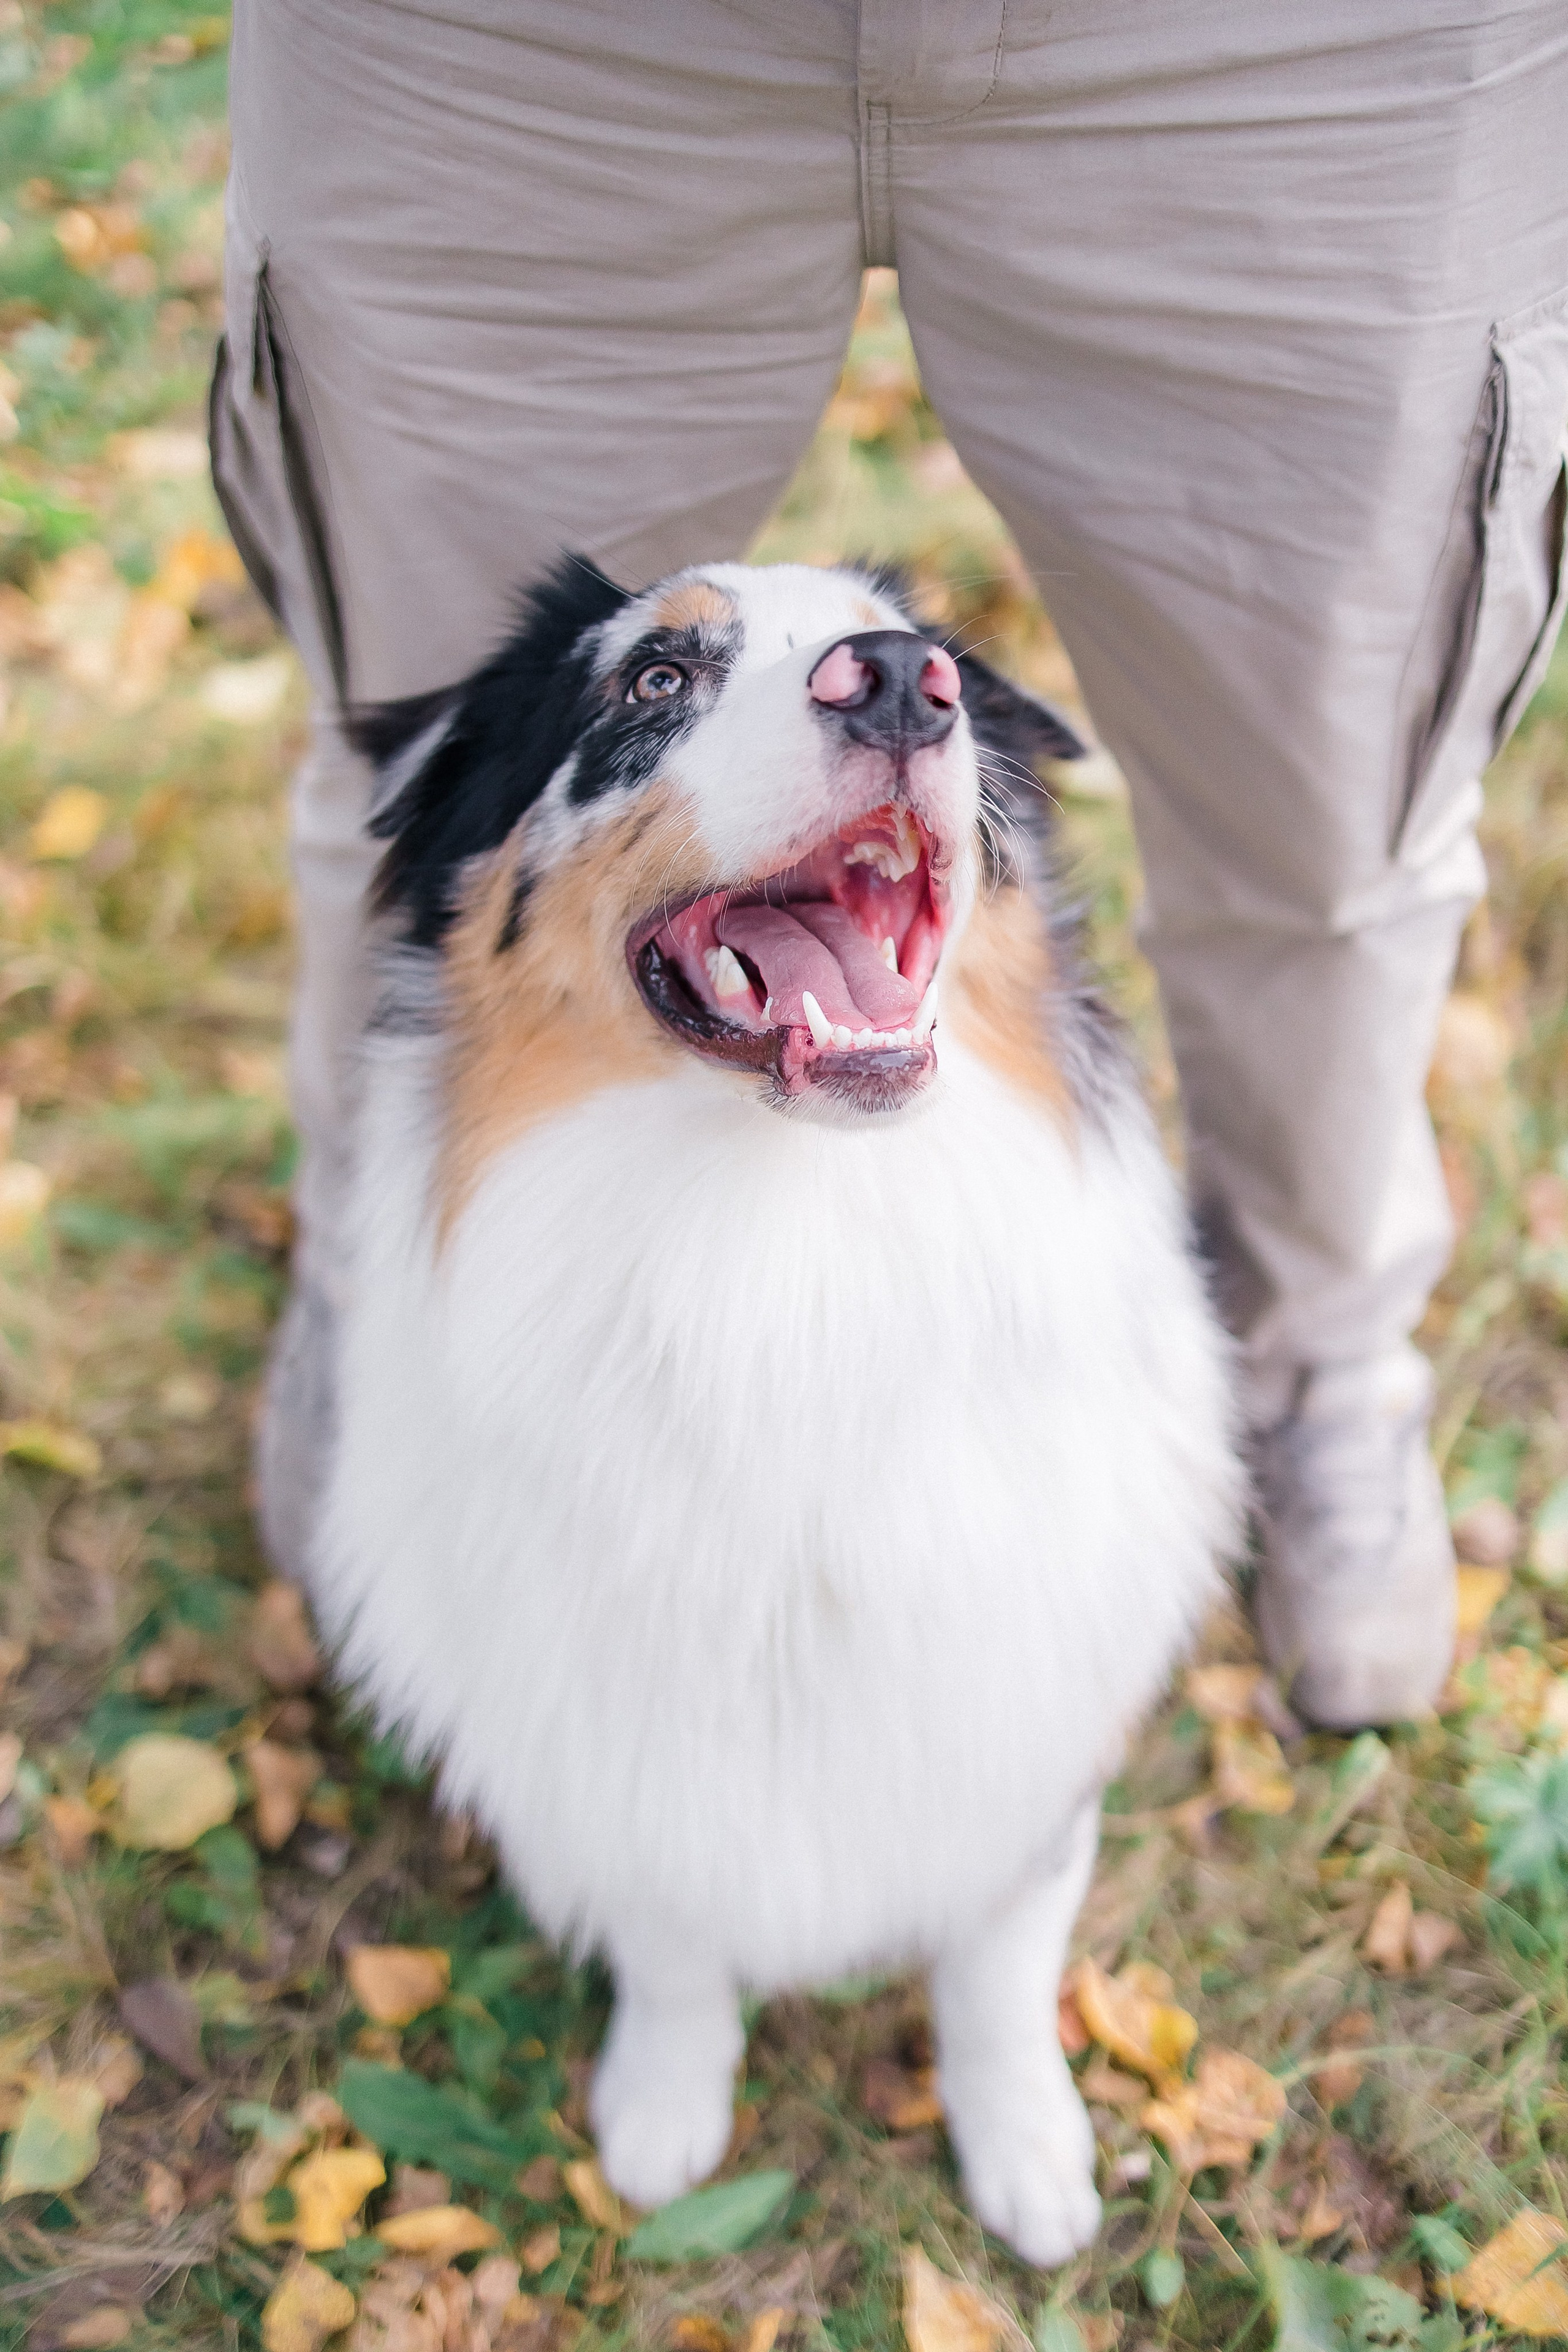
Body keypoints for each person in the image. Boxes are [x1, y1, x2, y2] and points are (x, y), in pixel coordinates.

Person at [214, 0, 1568, 1731]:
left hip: (1305, 51)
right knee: (432, 782)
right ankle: (391, 1289)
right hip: (524, 47)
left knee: (1324, 821)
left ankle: (1319, 1371)